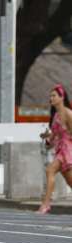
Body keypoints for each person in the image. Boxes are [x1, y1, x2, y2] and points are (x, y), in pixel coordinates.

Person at [38, 84, 72, 214]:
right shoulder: (56, 116)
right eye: (50, 96)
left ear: (61, 97)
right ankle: (46, 204)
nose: (51, 98)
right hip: (60, 150)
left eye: (54, 96)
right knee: (70, 182)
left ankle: (46, 204)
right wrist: (47, 138)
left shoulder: (69, 114)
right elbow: (53, 137)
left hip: (68, 151)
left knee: (49, 170)